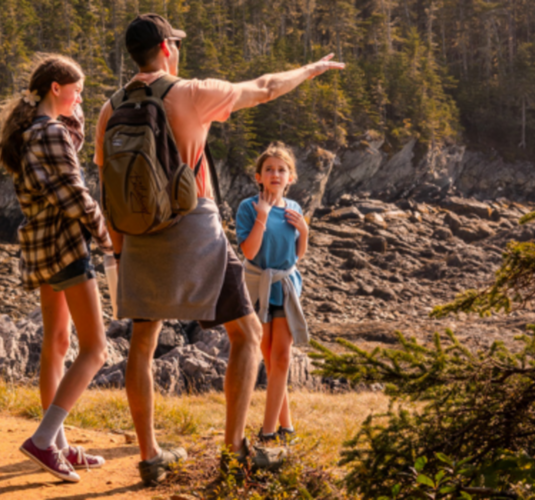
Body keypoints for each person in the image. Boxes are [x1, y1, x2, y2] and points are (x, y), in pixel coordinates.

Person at [94, 14, 344, 485]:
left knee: (141, 345)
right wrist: (309, 70)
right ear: (167, 47)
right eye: (177, 43)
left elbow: (110, 186)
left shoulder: (111, 108)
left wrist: (119, 252)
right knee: (247, 334)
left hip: (138, 234)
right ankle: (234, 452)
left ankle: (150, 456)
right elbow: (266, 86)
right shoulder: (189, 92)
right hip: (194, 229)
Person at [0, 53, 112, 484]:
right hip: (65, 247)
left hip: (40, 248)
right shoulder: (51, 133)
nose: (81, 97)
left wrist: (74, 120)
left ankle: (58, 443)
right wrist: (109, 241)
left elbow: (61, 169)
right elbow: (75, 195)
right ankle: (44, 440)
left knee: (57, 343)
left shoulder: (32, 132)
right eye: (76, 90)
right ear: (56, 89)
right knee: (96, 350)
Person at [237, 143, 310, 447]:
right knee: (267, 357)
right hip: (256, 288)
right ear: (259, 176)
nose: (275, 174)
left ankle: (268, 433)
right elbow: (249, 251)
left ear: (290, 177)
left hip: (286, 286)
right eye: (269, 169)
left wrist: (304, 231)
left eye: (281, 169)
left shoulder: (295, 209)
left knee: (281, 357)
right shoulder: (247, 207)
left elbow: (297, 255)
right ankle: (287, 427)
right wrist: (263, 217)